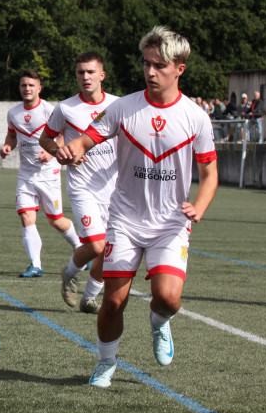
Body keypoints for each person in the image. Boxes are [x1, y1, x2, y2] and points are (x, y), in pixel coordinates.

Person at [55, 26, 218, 388]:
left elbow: (209, 175)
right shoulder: (123, 107)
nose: (150, 72)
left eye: (159, 65)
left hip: (171, 223)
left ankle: (160, 322)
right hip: (125, 220)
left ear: (180, 68)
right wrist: (72, 150)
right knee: (112, 303)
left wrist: (200, 206)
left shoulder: (196, 118)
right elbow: (86, 139)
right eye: (146, 64)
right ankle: (106, 363)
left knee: (168, 298)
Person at [39, 52, 118, 314]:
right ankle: (70, 273)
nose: (85, 77)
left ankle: (89, 298)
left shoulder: (118, 106)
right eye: (80, 72)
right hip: (82, 186)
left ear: (102, 75)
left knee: (112, 248)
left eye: (90, 72)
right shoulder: (66, 108)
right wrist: (59, 152)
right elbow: (45, 140)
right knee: (97, 245)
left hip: (115, 189)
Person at [0, 70, 81, 278]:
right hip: (26, 175)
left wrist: (51, 151)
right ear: (20, 88)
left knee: (56, 220)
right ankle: (35, 265)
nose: (27, 89)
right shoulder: (13, 113)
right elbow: (11, 136)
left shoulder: (49, 110)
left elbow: (63, 135)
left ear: (39, 88)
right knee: (27, 216)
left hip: (48, 174)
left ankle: (81, 249)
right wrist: (7, 147)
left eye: (31, 85)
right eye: (23, 85)